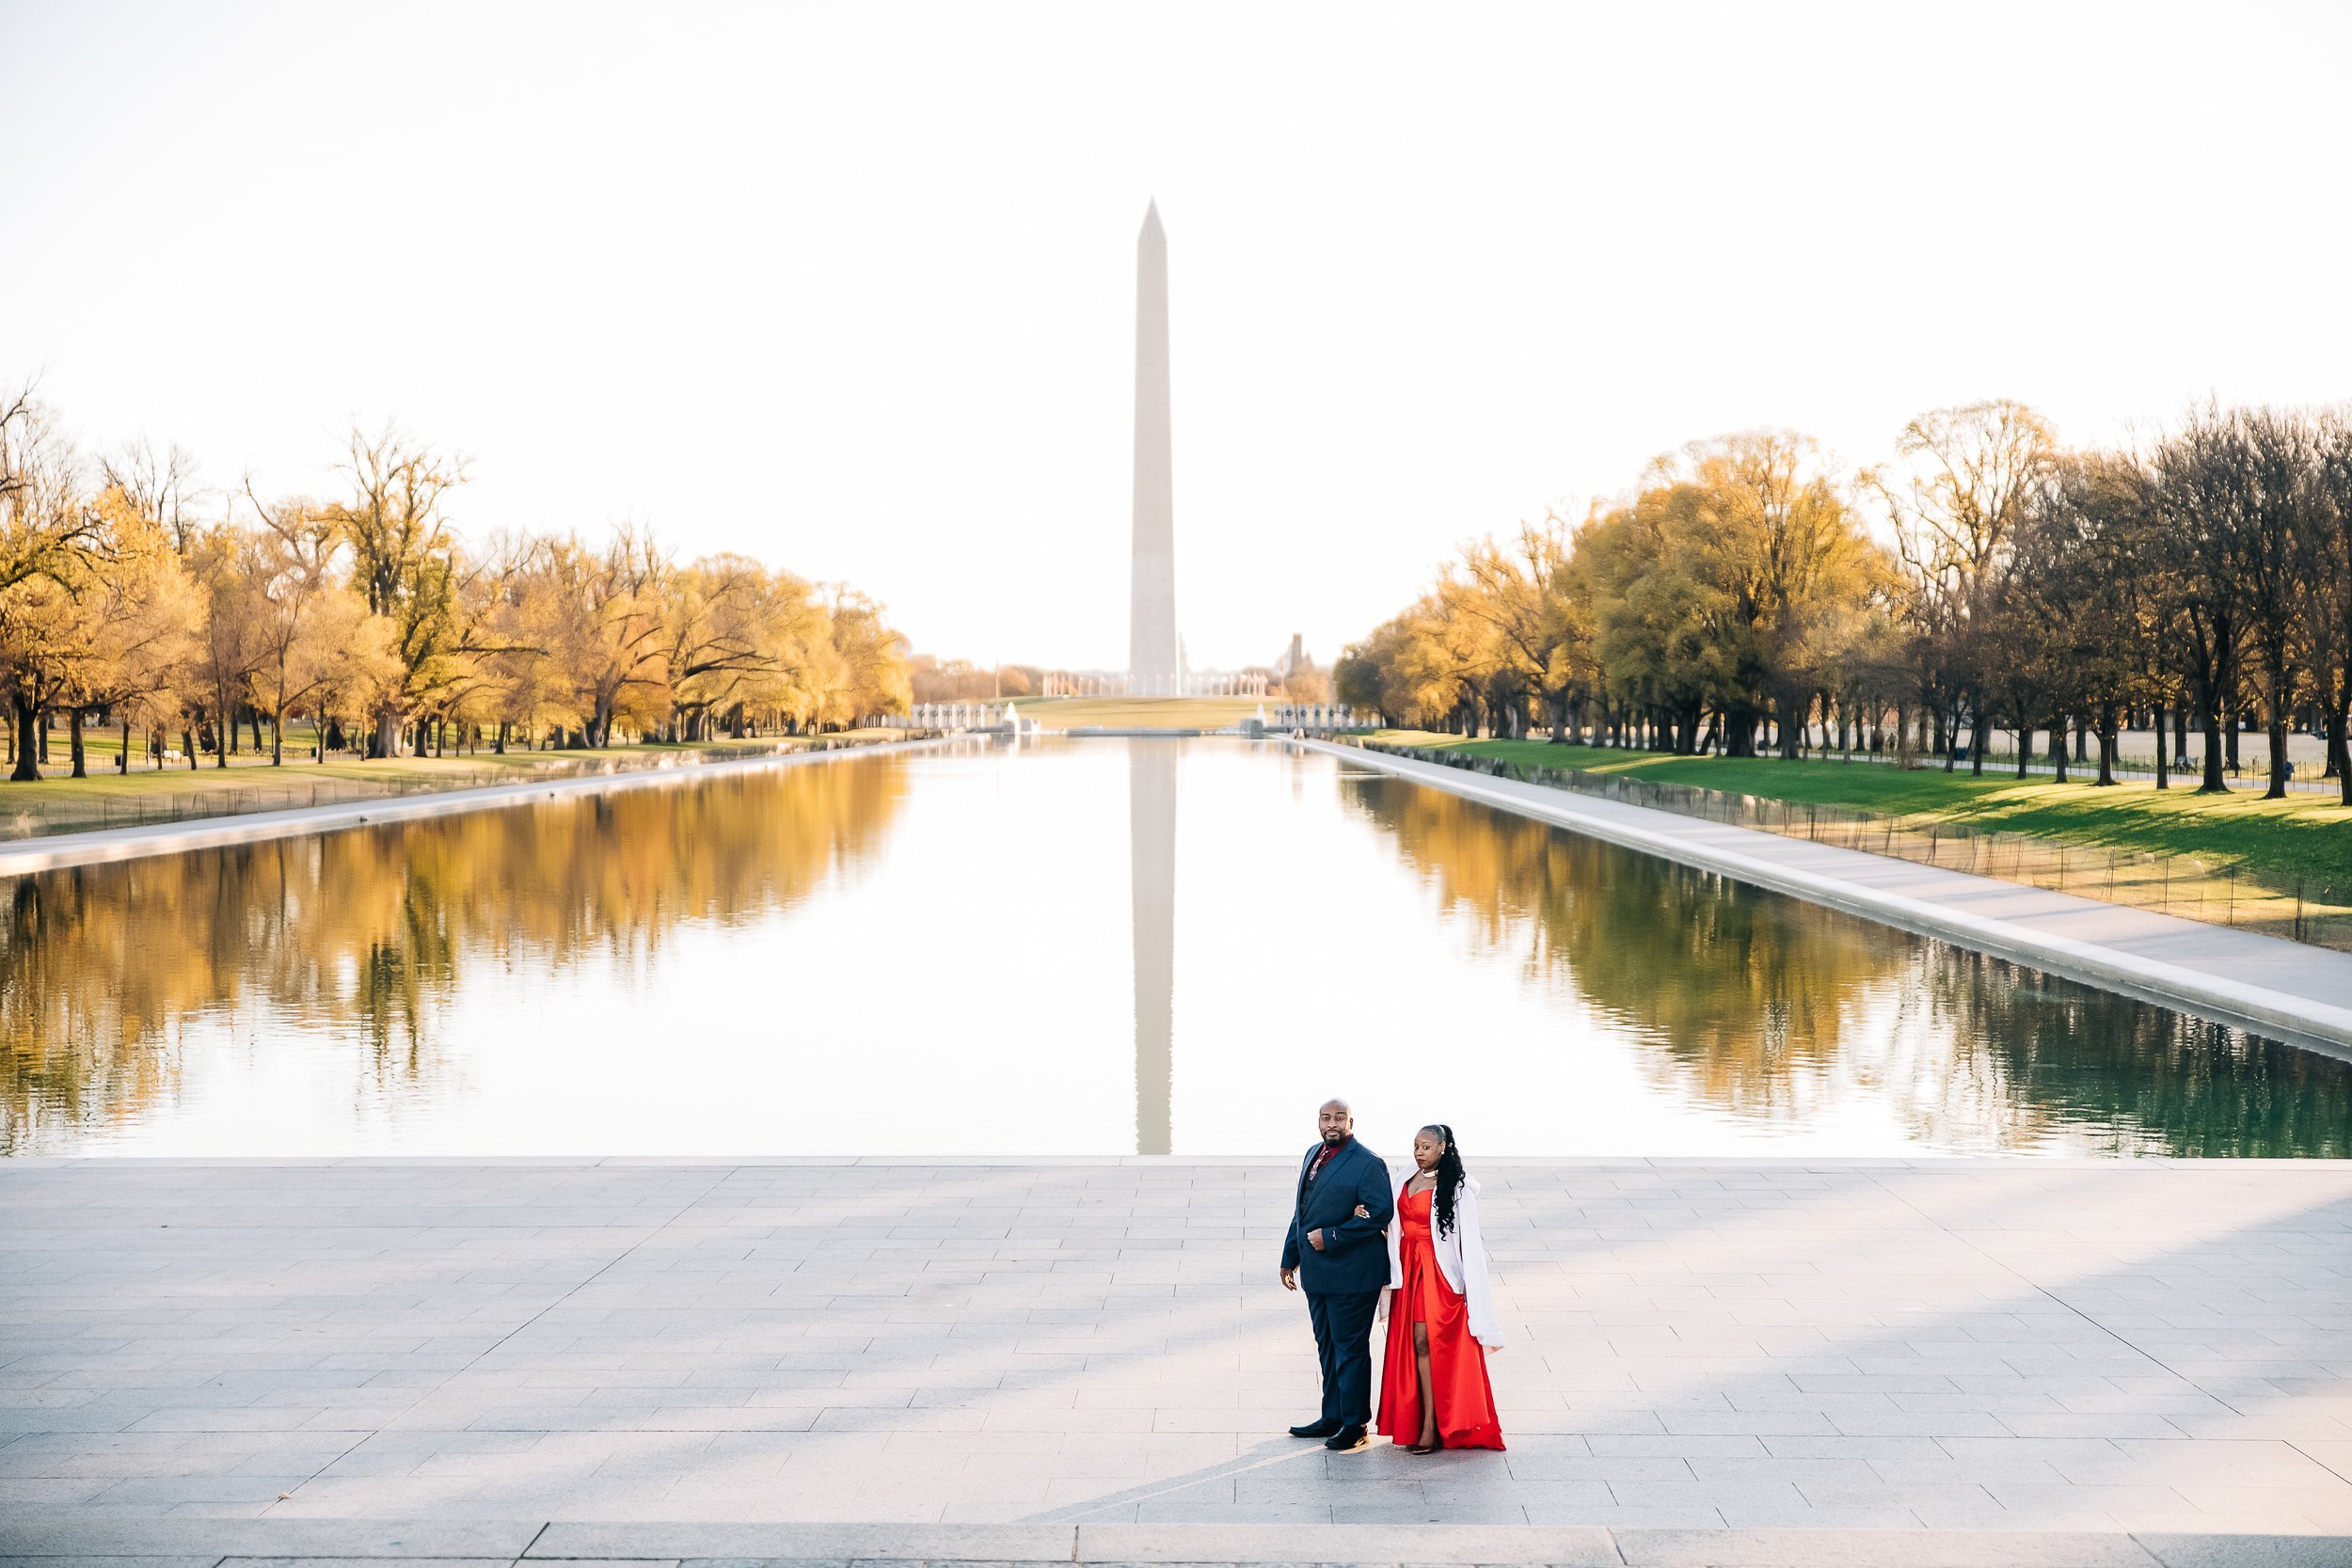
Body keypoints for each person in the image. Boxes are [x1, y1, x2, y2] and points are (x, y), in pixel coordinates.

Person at [1376, 1123, 1504, 1452]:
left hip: (1437, 1274)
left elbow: (1471, 1247)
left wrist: (1470, 1293)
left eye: (1426, 1147)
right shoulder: (1404, 1177)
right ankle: (1416, 1421)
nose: (1419, 1152)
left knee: (1425, 1342)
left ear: (1443, 1148)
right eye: (1416, 1146)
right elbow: (1392, 1221)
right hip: (1408, 1268)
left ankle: (1431, 1426)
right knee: (1412, 1344)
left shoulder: (1458, 1190)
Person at [1280, 1097, 1394, 1452]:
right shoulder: (1312, 1153)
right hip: (1318, 1274)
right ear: (1318, 1121)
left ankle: (1356, 1423)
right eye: (1326, 1117)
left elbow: (1380, 1212)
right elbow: (1303, 1211)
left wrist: (1330, 1237)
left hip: (1354, 1274)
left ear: (1351, 1122)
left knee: (1351, 1348)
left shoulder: (1368, 1163)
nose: (1332, 1123)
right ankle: (1332, 1414)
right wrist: (1290, 1256)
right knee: (1327, 1346)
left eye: (1339, 1118)